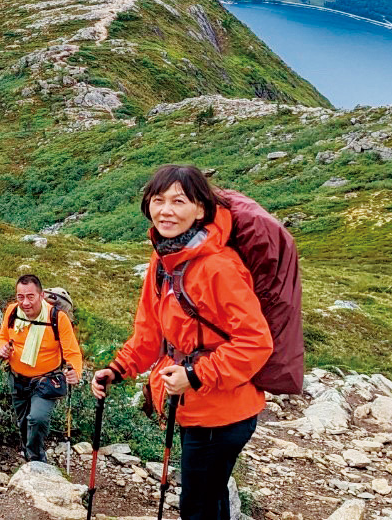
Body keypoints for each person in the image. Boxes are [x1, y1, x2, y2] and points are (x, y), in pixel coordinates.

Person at [90, 165, 273, 520]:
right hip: (194, 406)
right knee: (208, 498)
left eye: (178, 201)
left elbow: (255, 342)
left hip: (224, 411)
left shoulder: (219, 267)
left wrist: (195, 375)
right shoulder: (163, 260)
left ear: (201, 209)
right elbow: (150, 333)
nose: (166, 210)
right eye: (158, 200)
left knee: (197, 506)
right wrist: (118, 369)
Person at [0, 274, 83, 462]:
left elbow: (72, 352)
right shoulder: (12, 311)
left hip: (45, 381)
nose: (25, 302)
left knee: (36, 418)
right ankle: (30, 451)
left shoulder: (57, 318)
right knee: (23, 421)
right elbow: (3, 336)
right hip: (17, 378)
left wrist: (75, 371)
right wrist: (2, 348)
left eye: (30, 296)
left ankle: (36, 460)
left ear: (41, 295)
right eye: (20, 297)